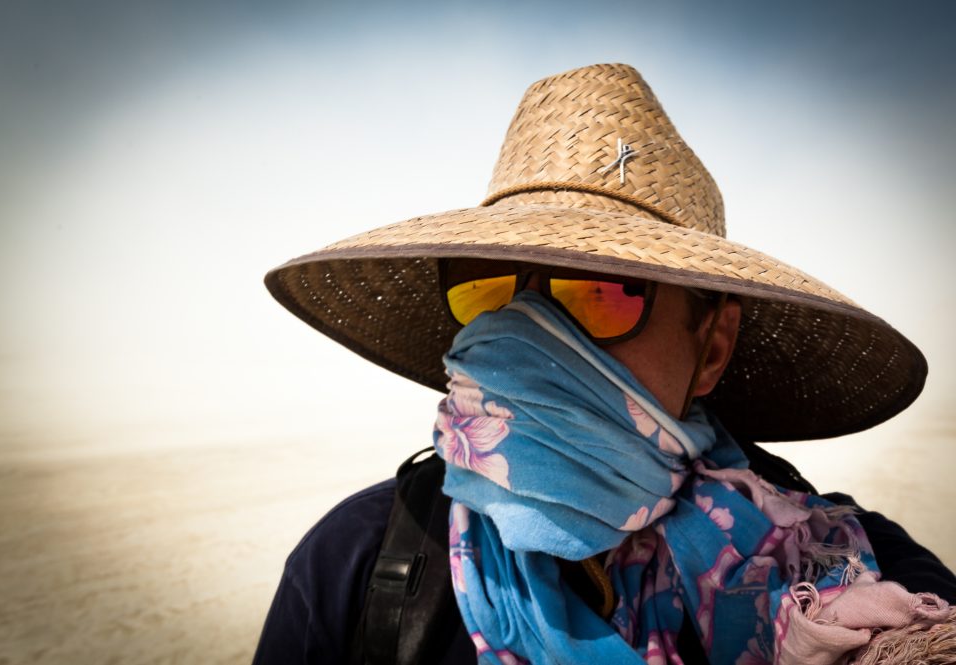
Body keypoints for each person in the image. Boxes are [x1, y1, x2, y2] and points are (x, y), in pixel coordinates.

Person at [253, 64, 956, 664]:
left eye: (601, 290)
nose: (523, 334)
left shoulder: (840, 558)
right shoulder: (354, 564)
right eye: (487, 290)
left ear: (710, 345)